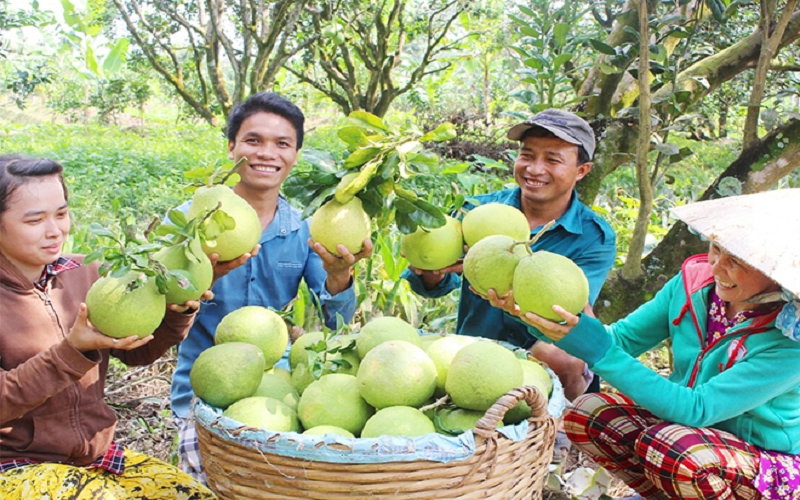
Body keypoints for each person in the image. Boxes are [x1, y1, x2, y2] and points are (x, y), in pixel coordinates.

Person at [489, 189, 800, 500]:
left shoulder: (790, 342)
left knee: (674, 451)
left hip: (764, 465)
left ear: (778, 275)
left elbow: (697, 408)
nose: (717, 266)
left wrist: (600, 349)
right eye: (716, 248)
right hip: (689, 438)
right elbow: (622, 340)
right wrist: (533, 313)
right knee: (588, 413)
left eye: (737, 262)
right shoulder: (695, 284)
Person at [170, 92, 373, 482]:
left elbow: (335, 323)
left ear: (296, 155)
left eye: (282, 144)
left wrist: (339, 276)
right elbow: (160, 311)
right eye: (253, 140)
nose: (267, 153)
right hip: (203, 388)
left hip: (274, 389)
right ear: (231, 147)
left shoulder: (304, 229)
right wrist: (194, 285)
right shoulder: (189, 221)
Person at [0, 155, 215, 499]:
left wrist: (177, 311)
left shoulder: (87, 274)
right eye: (34, 220)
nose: (55, 230)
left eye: (61, 213)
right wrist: (72, 352)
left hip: (94, 460)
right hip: (17, 466)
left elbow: (136, 351)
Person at [402, 108, 616, 401]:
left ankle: (555, 434)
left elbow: (566, 311)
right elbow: (433, 286)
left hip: (543, 349)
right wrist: (431, 268)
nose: (535, 169)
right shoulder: (475, 212)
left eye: (552, 159)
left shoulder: (593, 236)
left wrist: (511, 296)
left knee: (561, 357)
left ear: (581, 171)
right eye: (527, 155)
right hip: (477, 347)